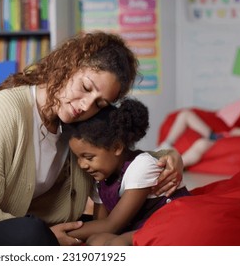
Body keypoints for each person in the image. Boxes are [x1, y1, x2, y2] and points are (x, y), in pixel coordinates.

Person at [0, 31, 184, 246]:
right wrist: (48, 239)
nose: (86, 106)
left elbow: (115, 154)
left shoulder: (75, 124)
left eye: (100, 103)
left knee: (103, 224)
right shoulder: (7, 110)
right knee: (34, 233)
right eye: (85, 87)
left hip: (11, 228)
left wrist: (169, 156)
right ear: (68, 66)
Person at [63, 98, 191, 245]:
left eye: (88, 157)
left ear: (117, 147)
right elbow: (101, 224)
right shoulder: (100, 178)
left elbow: (112, 225)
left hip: (170, 222)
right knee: (96, 240)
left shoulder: (141, 166)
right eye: (78, 158)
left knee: (117, 244)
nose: (82, 165)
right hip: (142, 226)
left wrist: (60, 233)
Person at [157, 93, 240, 167]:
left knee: (201, 144)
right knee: (185, 114)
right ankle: (166, 144)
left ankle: (175, 165)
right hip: (218, 135)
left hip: (222, 141)